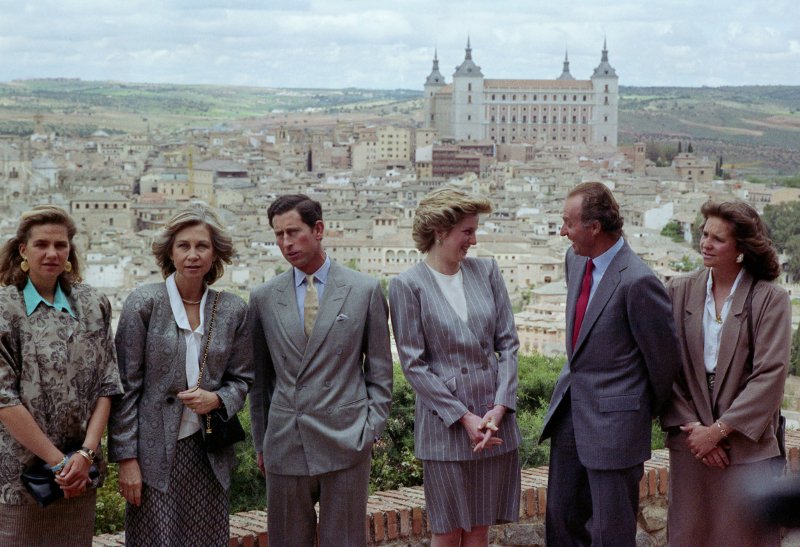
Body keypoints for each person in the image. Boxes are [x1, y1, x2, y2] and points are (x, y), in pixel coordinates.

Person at [539, 182, 681, 546]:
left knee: (610, 533)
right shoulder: (574, 260)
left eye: (568, 223)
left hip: (616, 427)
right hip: (570, 417)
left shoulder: (638, 281)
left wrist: (635, 411)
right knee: (560, 520)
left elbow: (663, 362)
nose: (562, 231)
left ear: (594, 228)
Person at [248, 194, 392, 546]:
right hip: (285, 441)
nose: (286, 243)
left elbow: (380, 371)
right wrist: (262, 442)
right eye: (278, 235)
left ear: (319, 229)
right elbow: (259, 381)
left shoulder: (364, 290)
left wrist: (370, 429)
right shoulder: (264, 297)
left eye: (293, 232)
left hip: (346, 440)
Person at [108, 204, 253, 546]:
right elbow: (125, 387)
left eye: (201, 246)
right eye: (183, 246)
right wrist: (127, 460)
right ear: (169, 252)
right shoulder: (143, 303)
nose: (192, 255)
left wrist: (216, 399)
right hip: (153, 455)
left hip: (208, 453)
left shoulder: (232, 309)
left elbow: (243, 378)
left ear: (215, 252)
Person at [389, 187, 522, 547]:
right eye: (467, 232)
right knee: (447, 531)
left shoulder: (487, 272)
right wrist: (464, 417)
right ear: (440, 231)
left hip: (494, 424)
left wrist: (499, 406)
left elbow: (508, 343)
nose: (474, 241)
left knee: (479, 528)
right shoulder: (406, 286)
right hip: (444, 428)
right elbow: (413, 365)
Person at [662, 200, 789, 546]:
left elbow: (771, 375)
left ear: (741, 250)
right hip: (690, 447)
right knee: (689, 535)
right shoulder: (678, 290)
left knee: (743, 537)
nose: (706, 243)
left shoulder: (770, 299)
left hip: (747, 448)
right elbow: (664, 367)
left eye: (718, 239)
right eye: (705, 234)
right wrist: (698, 434)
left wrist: (718, 432)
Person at [0, 206, 122, 545]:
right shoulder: (5, 309)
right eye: (41, 244)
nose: (52, 253)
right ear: (23, 250)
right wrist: (60, 464)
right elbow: (4, 399)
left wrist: (84, 455)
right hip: (21, 477)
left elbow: (107, 384)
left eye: (60, 244)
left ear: (70, 250)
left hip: (79, 478)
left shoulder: (94, 304)